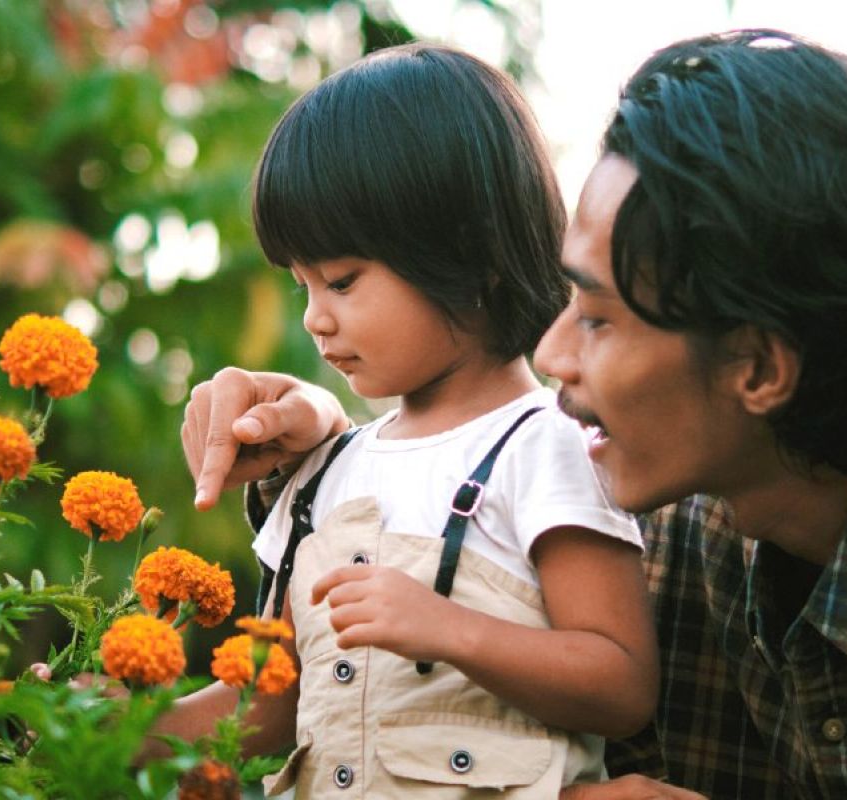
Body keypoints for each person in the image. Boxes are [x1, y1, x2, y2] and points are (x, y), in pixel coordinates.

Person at [181, 29, 847, 799]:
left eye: (599, 317)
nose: (551, 354)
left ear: (758, 365)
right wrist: (319, 446)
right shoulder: (671, 521)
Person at [167, 42, 657, 797]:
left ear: (469, 256)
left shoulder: (545, 442)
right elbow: (274, 703)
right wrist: (116, 727)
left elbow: (620, 685)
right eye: (301, 285)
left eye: (341, 280)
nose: (315, 320)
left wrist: (450, 629)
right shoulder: (329, 468)